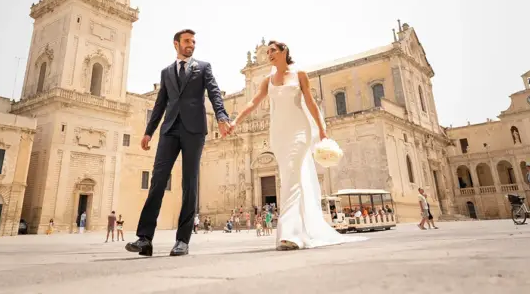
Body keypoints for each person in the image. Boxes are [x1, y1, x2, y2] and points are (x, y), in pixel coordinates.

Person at [229, 41, 357, 251]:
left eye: (273, 50)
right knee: (290, 178)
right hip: (278, 134)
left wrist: (322, 130)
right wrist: (235, 122)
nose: (269, 54)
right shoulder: (267, 81)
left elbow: (311, 103)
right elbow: (253, 103)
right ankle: (297, 230)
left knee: (291, 177)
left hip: (300, 131)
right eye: (267, 51)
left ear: (284, 52)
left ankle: (289, 235)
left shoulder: (300, 75)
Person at [126, 29, 230, 258]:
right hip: (170, 130)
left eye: (193, 41)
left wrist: (222, 116)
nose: (191, 44)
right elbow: (160, 104)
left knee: (190, 183)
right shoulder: (166, 72)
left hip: (194, 130)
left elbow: (214, 93)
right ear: (176, 44)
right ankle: (145, 238)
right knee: (158, 180)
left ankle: (182, 240)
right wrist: (148, 132)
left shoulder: (203, 67)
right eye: (186, 41)